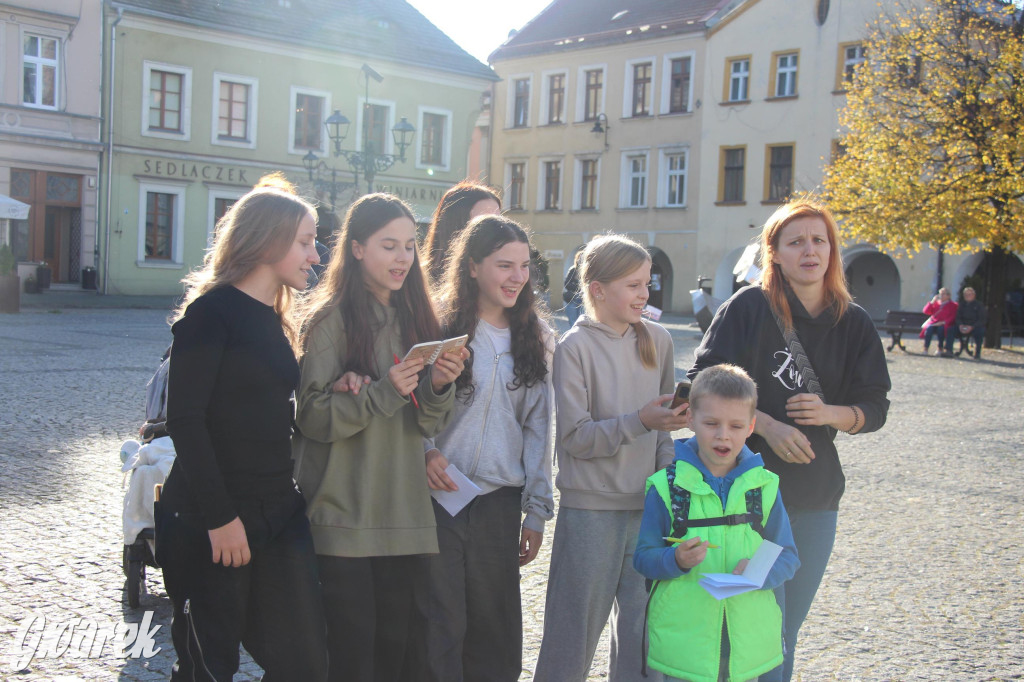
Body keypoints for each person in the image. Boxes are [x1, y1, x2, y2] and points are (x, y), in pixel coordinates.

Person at [687, 199, 890, 682]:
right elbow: (699, 383)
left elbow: (875, 408)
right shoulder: (749, 307)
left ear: (832, 250)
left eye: (819, 240)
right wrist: (765, 426)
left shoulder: (853, 322)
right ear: (773, 253)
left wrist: (829, 414)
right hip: (742, 496)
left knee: (783, 630)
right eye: (795, 241)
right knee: (744, 624)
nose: (810, 250)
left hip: (814, 499)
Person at [292, 193, 468, 682]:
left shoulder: (417, 319)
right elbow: (312, 417)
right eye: (389, 246)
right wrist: (383, 393)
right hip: (344, 515)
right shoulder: (331, 320)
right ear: (355, 249)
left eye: (410, 247)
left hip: (405, 515)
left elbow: (428, 424)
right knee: (350, 660)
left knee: (394, 657)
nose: (402, 259)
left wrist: (437, 384)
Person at [157, 175, 327, 681]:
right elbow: (185, 421)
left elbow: (263, 408)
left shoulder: (276, 317)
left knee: (305, 661)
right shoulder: (210, 315)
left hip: (278, 510)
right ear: (267, 242)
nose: (315, 255)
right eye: (304, 242)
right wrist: (220, 518)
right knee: (209, 668)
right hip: (213, 519)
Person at [534, 234, 689, 682]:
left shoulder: (657, 340)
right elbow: (576, 439)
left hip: (648, 511)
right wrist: (640, 420)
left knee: (644, 638)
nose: (644, 294)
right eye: (633, 285)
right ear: (597, 289)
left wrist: (667, 486)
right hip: (591, 512)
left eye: (647, 284)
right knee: (572, 634)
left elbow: (665, 430)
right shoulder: (574, 349)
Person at [423, 214, 555, 682]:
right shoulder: (437, 327)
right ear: (473, 267)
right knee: (440, 626)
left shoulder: (537, 340)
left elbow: (540, 429)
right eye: (504, 265)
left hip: (498, 503)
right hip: (437, 499)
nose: (517, 277)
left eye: (524, 266)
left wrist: (536, 509)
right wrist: (424, 451)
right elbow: (409, 404)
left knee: (494, 631)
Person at [634, 364, 800, 682]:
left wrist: (758, 572)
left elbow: (789, 556)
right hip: (686, 650)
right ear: (691, 420)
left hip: (749, 647)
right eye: (711, 423)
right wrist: (675, 559)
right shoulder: (666, 488)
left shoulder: (764, 487)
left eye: (736, 426)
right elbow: (643, 558)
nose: (723, 435)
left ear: (751, 427)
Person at [422, 181, 502, 284]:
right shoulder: (421, 281)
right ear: (457, 226)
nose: (497, 230)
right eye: (484, 222)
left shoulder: (500, 278)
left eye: (499, 222)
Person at [920, 287, 958, 356]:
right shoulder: (936, 303)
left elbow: (953, 316)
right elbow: (926, 311)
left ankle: (940, 348)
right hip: (934, 323)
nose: (941, 296)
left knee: (941, 330)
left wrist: (944, 322)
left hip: (944, 324)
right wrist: (932, 302)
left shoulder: (953, 305)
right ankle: (925, 348)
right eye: (940, 294)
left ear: (948, 296)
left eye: (943, 294)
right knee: (929, 329)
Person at [955, 286, 986, 359]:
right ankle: (948, 350)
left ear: (974, 295)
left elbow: (982, 319)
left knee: (980, 331)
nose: (968, 296)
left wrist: (972, 327)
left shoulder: (979, 305)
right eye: (966, 295)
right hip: (963, 325)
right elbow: (958, 317)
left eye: (970, 294)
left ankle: (977, 353)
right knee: (950, 329)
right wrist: (960, 325)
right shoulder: (961, 305)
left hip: (975, 326)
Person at [562, 249, 584, 326]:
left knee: (582, 321)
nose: (581, 260)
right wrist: (578, 286)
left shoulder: (587, 271)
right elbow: (567, 284)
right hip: (573, 298)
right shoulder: (573, 270)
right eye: (580, 258)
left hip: (584, 300)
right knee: (573, 322)